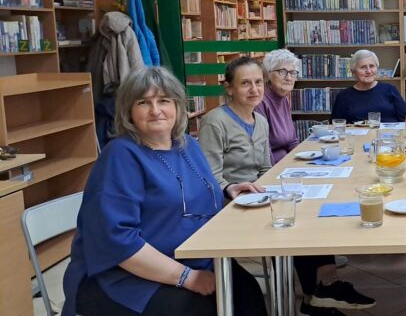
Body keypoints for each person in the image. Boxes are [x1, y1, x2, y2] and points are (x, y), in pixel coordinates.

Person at [62, 67, 267, 316]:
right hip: (124, 277)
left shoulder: (187, 144)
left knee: (248, 294)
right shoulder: (120, 155)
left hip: (192, 258)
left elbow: (192, 195)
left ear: (178, 107)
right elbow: (118, 242)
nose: (156, 110)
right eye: (144, 102)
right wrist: (187, 277)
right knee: (202, 308)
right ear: (128, 110)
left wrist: (227, 189)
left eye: (164, 101)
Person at [198, 57, 375, 316]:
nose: (254, 89)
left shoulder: (259, 121)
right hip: (231, 203)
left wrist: (283, 185)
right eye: (245, 83)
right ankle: (317, 293)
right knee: (295, 225)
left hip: (259, 195)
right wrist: (231, 188)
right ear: (229, 88)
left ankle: (323, 288)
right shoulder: (216, 121)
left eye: (258, 82)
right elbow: (209, 176)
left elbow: (263, 168)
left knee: (309, 210)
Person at [331, 49, 406, 123]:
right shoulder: (343, 96)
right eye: (363, 67)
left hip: (390, 134)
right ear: (353, 72)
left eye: (372, 66)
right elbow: (336, 125)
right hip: (358, 135)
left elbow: (405, 118)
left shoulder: (390, 89)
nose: (369, 71)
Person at [255, 49, 302, 164]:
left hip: (287, 162)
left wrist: (305, 160)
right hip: (273, 167)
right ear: (268, 75)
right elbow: (264, 150)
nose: (289, 78)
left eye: (293, 72)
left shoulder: (284, 98)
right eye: (282, 72)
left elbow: (292, 141)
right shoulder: (260, 101)